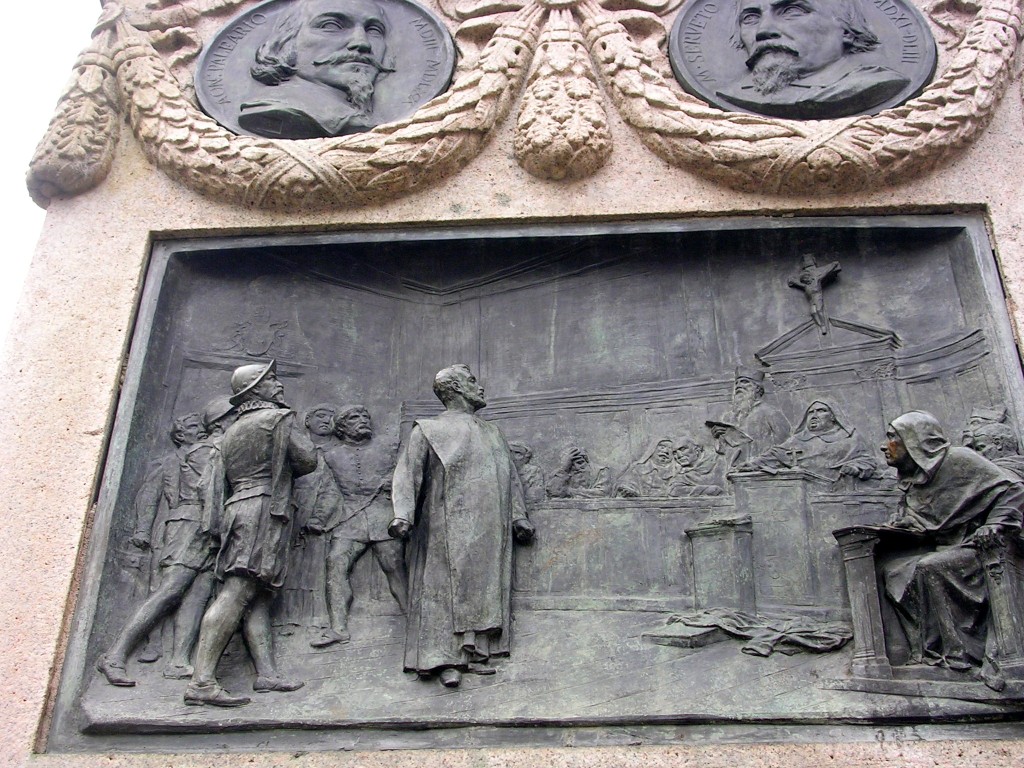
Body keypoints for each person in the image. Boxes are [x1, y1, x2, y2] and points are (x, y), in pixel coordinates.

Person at [389, 364, 535, 688]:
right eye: (471, 381)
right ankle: (443, 660)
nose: (479, 387)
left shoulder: (492, 432)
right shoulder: (427, 430)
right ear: (454, 388)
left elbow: (510, 477)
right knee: (442, 590)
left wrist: (518, 516)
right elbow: (407, 474)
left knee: (482, 589)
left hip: (488, 522)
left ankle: (475, 652)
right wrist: (403, 515)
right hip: (444, 522)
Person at [184, 360, 318, 707]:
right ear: (256, 389)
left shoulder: (230, 432)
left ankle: (266, 674)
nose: (278, 384)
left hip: (238, 509)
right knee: (237, 592)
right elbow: (307, 461)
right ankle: (201, 682)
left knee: (256, 595)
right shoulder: (277, 419)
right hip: (262, 509)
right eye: (271, 379)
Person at [879, 411, 1024, 676]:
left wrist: (995, 523)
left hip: (982, 546)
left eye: (892, 437)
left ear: (914, 440)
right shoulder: (916, 481)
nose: (884, 445)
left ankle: (961, 654)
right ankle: (927, 651)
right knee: (894, 573)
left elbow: (1015, 490)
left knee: (931, 567)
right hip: (952, 547)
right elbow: (933, 520)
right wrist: (907, 522)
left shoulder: (959, 459)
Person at [96, 413, 218, 686]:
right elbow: (149, 496)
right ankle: (115, 656)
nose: (201, 430)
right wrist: (142, 530)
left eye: (201, 425)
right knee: (169, 591)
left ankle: (179, 661)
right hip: (184, 524)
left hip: (210, 530)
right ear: (180, 436)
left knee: (198, 596)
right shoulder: (171, 461)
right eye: (193, 427)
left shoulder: (210, 453)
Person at [717, 0, 911, 119]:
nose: (763, 30)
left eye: (791, 11)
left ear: (847, 30)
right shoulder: (733, 93)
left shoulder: (874, 84)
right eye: (750, 18)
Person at [315, 404, 408, 647]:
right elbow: (328, 492)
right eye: (354, 418)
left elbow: (407, 476)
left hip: (383, 515)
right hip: (350, 519)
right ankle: (338, 628)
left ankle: (414, 618)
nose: (362, 420)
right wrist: (318, 519)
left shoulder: (389, 448)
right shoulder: (331, 457)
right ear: (341, 428)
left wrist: (394, 483)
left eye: (365, 416)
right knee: (336, 563)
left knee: (394, 566)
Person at [239, 0, 395, 139]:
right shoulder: (272, 110)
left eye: (374, 30)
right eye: (331, 26)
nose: (363, 43)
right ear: (287, 40)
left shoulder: (364, 117)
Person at [740, 399, 877, 484]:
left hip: (837, 489)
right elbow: (775, 454)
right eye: (811, 412)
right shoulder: (797, 440)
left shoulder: (850, 439)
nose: (814, 416)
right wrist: (752, 464)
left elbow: (867, 461)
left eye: (821, 411)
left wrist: (855, 468)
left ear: (833, 416)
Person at [706, 366, 791, 468]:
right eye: (737, 383)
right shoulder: (729, 417)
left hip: (762, 468)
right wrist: (719, 437)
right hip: (734, 469)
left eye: (745, 382)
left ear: (757, 388)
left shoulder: (770, 412)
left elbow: (785, 443)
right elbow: (723, 452)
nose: (739, 386)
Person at [547, 446, 611, 499]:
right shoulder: (561, 472)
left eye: (580, 462)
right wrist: (564, 468)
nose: (577, 467)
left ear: (587, 461)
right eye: (571, 464)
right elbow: (553, 493)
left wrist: (569, 491)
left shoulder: (600, 471)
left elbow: (602, 493)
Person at [509, 442, 546, 506]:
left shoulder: (534, 470)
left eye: (517, 453)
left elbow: (537, 494)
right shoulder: (506, 471)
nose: (511, 456)